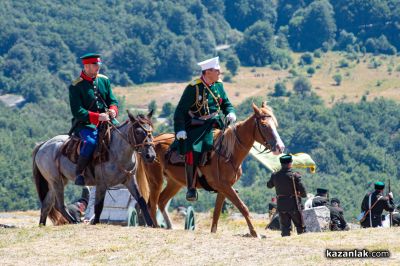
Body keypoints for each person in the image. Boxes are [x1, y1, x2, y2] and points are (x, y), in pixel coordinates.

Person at [173, 56, 236, 201]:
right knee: (192, 150)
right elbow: (180, 111)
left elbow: (226, 103)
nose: (220, 73)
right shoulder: (193, 88)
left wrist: (230, 113)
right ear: (208, 72)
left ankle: (227, 180)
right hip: (197, 125)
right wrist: (180, 129)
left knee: (232, 144)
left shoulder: (218, 85)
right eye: (217, 70)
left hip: (216, 122)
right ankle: (191, 188)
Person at [69, 53, 119, 186]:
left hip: (108, 120)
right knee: (91, 142)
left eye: (99, 64)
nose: (98, 67)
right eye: (95, 65)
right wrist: (97, 117)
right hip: (86, 124)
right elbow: (77, 111)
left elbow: (112, 100)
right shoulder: (76, 85)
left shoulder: (104, 80)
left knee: (126, 135)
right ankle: (80, 173)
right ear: (86, 66)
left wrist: (113, 110)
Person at [267, 154, 307, 237]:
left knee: (285, 228)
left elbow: (269, 185)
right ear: (290, 164)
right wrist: (302, 195)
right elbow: (303, 192)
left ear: (281, 164)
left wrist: (273, 175)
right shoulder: (295, 175)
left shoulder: (275, 175)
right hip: (294, 205)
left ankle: (286, 244)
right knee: (300, 227)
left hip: (281, 205)